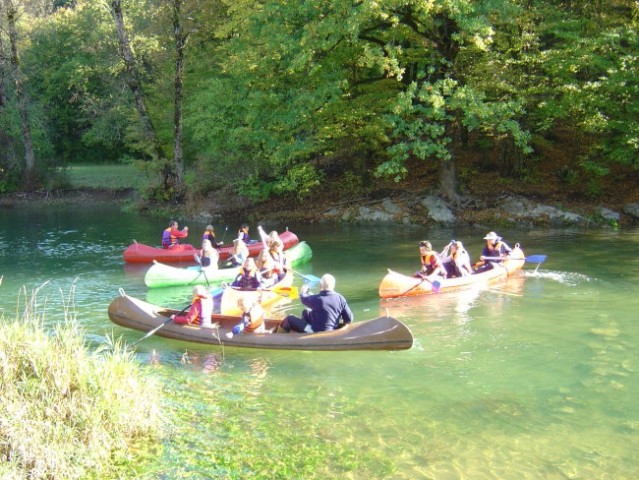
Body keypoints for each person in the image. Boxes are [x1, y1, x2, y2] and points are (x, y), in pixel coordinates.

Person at [279, 274, 353, 333]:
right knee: (306, 311)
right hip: (333, 331)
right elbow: (349, 319)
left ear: (320, 285)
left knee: (289, 319)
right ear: (333, 286)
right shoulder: (340, 298)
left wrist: (303, 292)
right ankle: (300, 333)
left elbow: (303, 299)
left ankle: (278, 338)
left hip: (315, 332)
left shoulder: (316, 299)